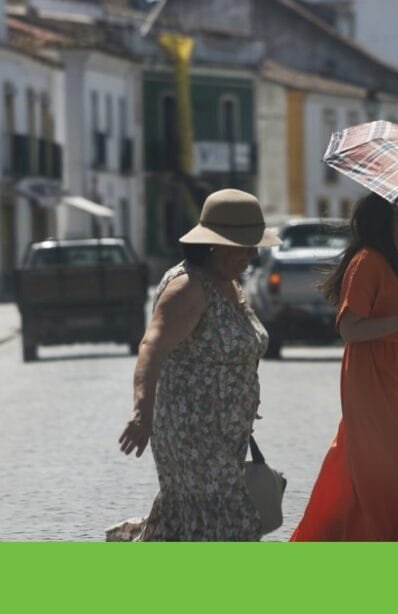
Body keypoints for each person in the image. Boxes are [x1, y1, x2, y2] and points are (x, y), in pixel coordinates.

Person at [114, 188, 281, 541]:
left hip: (225, 434)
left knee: (193, 523)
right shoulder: (188, 287)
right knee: (227, 522)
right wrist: (141, 411)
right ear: (216, 245)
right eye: (245, 246)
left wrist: (242, 394)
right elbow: (151, 346)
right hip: (191, 433)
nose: (253, 254)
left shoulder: (228, 283)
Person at [289, 192, 398, 542]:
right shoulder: (366, 262)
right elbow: (350, 329)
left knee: (368, 477)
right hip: (371, 380)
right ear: (395, 207)